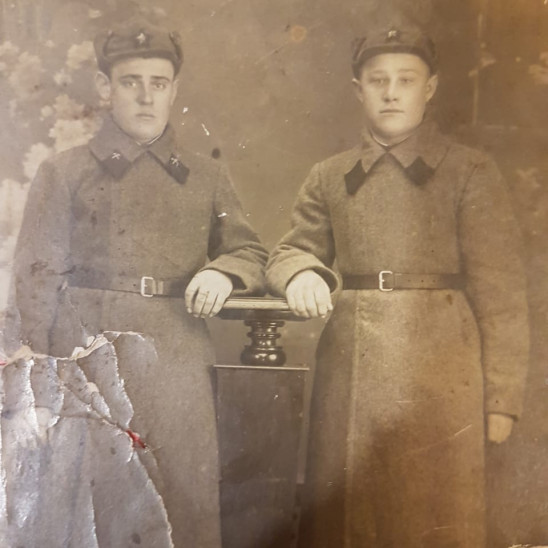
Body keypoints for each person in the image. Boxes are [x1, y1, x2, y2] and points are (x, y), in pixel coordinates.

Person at [266, 23, 529, 547]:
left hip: (444, 372)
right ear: (358, 89)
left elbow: (502, 296)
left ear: (429, 88)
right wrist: (301, 272)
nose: (391, 92)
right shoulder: (329, 175)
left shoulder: (470, 171)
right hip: (351, 370)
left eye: (405, 80)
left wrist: (502, 400)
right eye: (377, 80)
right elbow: (290, 250)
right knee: (348, 516)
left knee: (433, 513)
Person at [11, 19, 267, 547]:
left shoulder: (206, 176)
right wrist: (52, 378)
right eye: (131, 82)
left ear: (174, 90)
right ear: (105, 88)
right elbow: (37, 280)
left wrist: (222, 271)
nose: (146, 96)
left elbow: (249, 251)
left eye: (159, 83)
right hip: (89, 360)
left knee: (184, 502)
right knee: (93, 506)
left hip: (177, 361)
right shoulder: (64, 172)